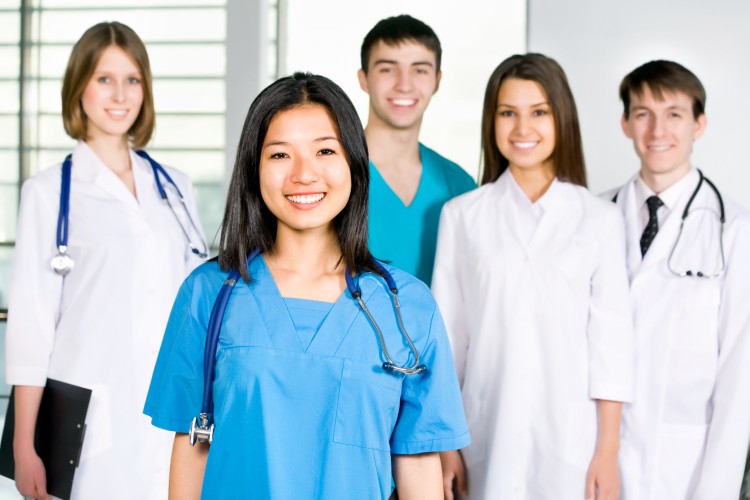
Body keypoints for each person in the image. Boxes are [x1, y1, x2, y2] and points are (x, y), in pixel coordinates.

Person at [144, 72, 470, 499]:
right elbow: (192, 445)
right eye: (280, 155)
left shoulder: (406, 307)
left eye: (325, 150)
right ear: (254, 168)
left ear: (354, 161)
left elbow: (417, 461)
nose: (304, 174)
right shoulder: (209, 293)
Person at [5, 21, 206, 499]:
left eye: (132, 79)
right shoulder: (48, 193)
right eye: (104, 79)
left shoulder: (175, 187)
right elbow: (31, 330)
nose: (120, 94)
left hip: (172, 410)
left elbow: (196, 302)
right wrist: (23, 445)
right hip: (91, 419)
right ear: (79, 88)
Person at [433, 53, 634, 500]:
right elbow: (447, 342)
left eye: (539, 112)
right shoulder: (462, 217)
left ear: (561, 118)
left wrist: (607, 451)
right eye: (508, 113)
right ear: (492, 121)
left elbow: (611, 345)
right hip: (484, 434)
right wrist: (447, 446)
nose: (523, 129)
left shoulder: (599, 218)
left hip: (573, 442)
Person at [610, 60, 750, 500]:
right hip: (598, 464)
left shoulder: (735, 231)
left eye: (674, 114)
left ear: (699, 124)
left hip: (686, 470)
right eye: (643, 114)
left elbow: (739, 381)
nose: (657, 131)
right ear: (625, 124)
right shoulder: (593, 218)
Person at [357, 14, 475, 286]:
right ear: (363, 79)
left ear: (437, 80)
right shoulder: (332, 172)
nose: (404, 84)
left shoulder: (458, 184)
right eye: (387, 69)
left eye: (420, 70)